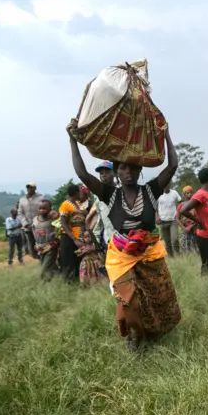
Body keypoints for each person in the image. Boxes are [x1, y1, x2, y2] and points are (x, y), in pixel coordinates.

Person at [69, 122, 181, 351]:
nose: (127, 172)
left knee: (159, 297)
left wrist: (166, 134)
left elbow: (173, 165)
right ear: (116, 172)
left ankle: (154, 333)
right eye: (122, 168)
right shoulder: (109, 194)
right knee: (128, 300)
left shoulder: (151, 190)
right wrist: (72, 140)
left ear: (140, 170)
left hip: (150, 254)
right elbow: (82, 173)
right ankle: (134, 335)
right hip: (121, 256)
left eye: (132, 168)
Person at [179, 169, 208, 274]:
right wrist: (198, 222)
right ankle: (205, 286)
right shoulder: (200, 194)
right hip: (206, 237)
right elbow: (183, 210)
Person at [58, 185, 89, 282]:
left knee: (77, 260)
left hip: (79, 237)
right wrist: (74, 239)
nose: (81, 193)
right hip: (69, 237)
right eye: (80, 191)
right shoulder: (65, 205)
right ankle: (67, 282)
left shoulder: (77, 204)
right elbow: (63, 223)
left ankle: (77, 280)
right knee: (68, 260)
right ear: (76, 192)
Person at [87, 161, 115, 253]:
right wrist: (97, 236)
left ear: (115, 173)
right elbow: (100, 217)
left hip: (124, 237)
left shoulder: (122, 190)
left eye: (107, 172)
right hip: (108, 238)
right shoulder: (97, 195)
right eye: (101, 173)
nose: (104, 175)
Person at [32, 199, 59, 280]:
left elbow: (59, 229)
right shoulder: (35, 219)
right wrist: (36, 243)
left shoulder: (53, 219)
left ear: (50, 208)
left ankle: (43, 282)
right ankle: (60, 277)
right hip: (40, 247)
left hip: (51, 247)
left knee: (45, 267)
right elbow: (34, 231)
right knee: (51, 266)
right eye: (40, 208)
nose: (42, 210)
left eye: (44, 208)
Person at [18, 183, 44, 259]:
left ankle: (42, 258)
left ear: (35, 188)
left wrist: (39, 221)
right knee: (31, 243)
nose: (29, 189)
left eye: (31, 187)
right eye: (28, 187)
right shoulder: (22, 200)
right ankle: (36, 258)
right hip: (28, 226)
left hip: (39, 225)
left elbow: (44, 210)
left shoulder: (40, 198)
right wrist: (25, 223)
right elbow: (20, 212)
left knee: (41, 242)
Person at [156, 185, 182, 257]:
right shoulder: (158, 194)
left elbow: (181, 203)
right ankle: (171, 257)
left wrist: (179, 214)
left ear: (169, 184)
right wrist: (157, 216)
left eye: (167, 184)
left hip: (173, 220)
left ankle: (178, 255)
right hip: (163, 221)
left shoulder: (174, 193)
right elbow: (155, 206)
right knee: (167, 242)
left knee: (175, 239)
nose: (165, 186)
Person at [177, 186, 197, 253]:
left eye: (190, 192)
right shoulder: (181, 205)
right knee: (185, 247)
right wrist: (183, 228)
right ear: (184, 194)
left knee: (195, 246)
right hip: (185, 228)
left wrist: (191, 226)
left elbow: (199, 217)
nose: (189, 194)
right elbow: (177, 218)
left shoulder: (196, 203)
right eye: (187, 193)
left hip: (195, 227)